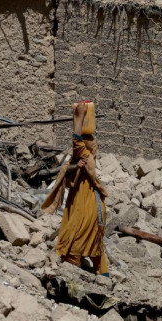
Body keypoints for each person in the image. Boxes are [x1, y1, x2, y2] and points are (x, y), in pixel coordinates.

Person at [42, 102, 109, 276]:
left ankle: (73, 270)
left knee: (77, 233)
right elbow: (73, 159)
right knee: (94, 240)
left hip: (86, 201)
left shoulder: (87, 158)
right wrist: (73, 167)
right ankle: (103, 274)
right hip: (88, 199)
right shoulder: (84, 162)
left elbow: (76, 141)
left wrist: (79, 117)